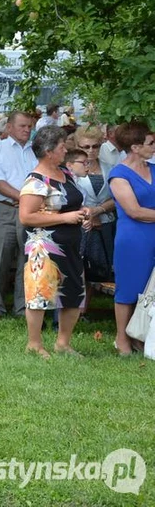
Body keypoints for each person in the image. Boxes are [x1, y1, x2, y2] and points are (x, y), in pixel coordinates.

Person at [18, 126, 89, 357]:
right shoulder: (36, 180)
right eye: (61, 146)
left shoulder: (66, 174)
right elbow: (26, 216)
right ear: (49, 151)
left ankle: (63, 343)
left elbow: (72, 203)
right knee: (40, 293)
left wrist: (83, 212)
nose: (65, 149)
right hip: (44, 246)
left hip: (71, 244)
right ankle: (34, 344)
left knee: (73, 292)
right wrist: (65, 217)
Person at [107, 121, 155, 356]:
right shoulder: (118, 174)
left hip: (152, 231)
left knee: (151, 288)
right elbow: (134, 211)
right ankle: (122, 339)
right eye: (150, 143)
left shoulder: (154, 169)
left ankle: (142, 336)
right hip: (134, 238)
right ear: (135, 147)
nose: (154, 147)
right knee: (129, 288)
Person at [0, 111, 36, 319]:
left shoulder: (36, 151)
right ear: (9, 127)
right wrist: (24, 197)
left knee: (28, 259)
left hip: (31, 211)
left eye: (29, 126)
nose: (27, 129)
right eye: (22, 126)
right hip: (4, 208)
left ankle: (22, 307)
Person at [72, 126, 117, 294]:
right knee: (79, 266)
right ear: (77, 145)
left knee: (98, 267)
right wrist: (87, 215)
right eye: (85, 146)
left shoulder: (110, 167)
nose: (91, 150)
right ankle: (78, 310)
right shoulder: (71, 168)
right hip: (80, 224)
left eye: (95, 146)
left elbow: (117, 197)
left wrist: (98, 211)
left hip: (106, 223)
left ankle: (85, 310)